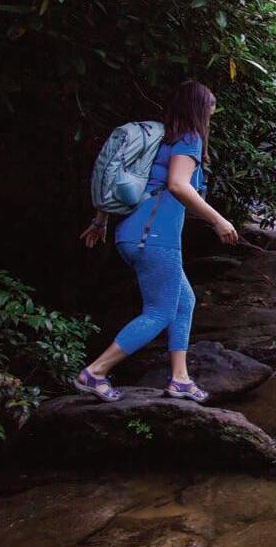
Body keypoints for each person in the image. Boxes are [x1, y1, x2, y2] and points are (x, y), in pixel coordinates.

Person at [74, 80, 239, 403]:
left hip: (133, 234)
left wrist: (100, 220)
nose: (212, 115)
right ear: (198, 109)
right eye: (210, 108)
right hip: (155, 236)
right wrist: (218, 220)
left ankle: (180, 378)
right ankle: (94, 372)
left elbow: (128, 178)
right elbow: (178, 185)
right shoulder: (188, 139)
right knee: (159, 311)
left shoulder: (162, 139)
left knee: (184, 302)